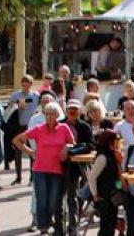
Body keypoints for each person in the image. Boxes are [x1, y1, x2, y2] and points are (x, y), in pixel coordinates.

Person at [13, 101, 76, 236]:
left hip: (57, 170)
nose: (49, 117)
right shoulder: (39, 129)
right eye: (46, 114)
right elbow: (17, 140)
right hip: (40, 169)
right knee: (42, 200)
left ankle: (51, 223)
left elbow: (73, 143)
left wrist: (66, 147)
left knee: (53, 201)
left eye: (52, 114)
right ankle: (43, 227)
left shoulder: (64, 128)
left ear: (57, 115)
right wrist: (30, 152)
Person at [61, 99, 92, 236]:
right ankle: (63, 227)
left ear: (79, 111)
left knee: (77, 196)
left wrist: (72, 150)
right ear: (66, 111)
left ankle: (73, 228)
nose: (72, 112)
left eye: (75, 109)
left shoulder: (84, 126)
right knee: (64, 197)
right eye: (70, 109)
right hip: (62, 166)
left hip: (80, 166)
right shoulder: (60, 125)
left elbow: (90, 145)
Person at [86, 130, 123, 236]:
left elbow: (116, 178)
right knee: (106, 227)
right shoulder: (103, 157)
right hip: (104, 198)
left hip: (112, 197)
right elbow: (92, 177)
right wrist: (95, 195)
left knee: (111, 226)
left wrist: (119, 190)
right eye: (116, 140)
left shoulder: (113, 155)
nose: (118, 142)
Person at [8, 75, 40, 185]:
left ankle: (32, 177)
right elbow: (8, 109)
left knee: (32, 151)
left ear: (31, 84)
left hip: (31, 127)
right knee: (18, 152)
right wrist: (17, 105)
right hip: (19, 126)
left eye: (28, 85)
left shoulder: (36, 95)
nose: (25, 87)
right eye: (24, 85)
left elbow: (40, 107)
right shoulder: (16, 95)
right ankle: (18, 177)